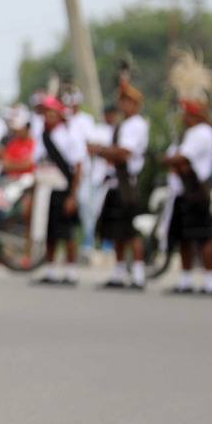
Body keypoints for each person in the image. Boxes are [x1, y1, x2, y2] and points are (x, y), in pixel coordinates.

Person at [90, 81, 150, 290]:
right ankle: (119, 271)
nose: (122, 106)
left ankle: (139, 274)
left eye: (126, 102)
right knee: (116, 232)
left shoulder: (137, 124)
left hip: (126, 184)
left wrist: (100, 151)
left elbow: (124, 153)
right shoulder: (125, 124)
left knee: (129, 231)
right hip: (115, 183)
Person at [163, 99, 212, 296]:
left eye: (185, 114)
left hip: (197, 191)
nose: (183, 117)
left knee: (203, 236)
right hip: (183, 192)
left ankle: (210, 281)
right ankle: (185, 280)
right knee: (184, 238)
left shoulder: (202, 132)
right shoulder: (188, 133)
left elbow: (182, 158)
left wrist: (165, 160)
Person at [31, 94, 85, 286]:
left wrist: (72, 196)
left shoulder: (69, 136)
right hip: (46, 190)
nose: (48, 117)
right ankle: (51, 270)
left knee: (66, 232)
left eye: (52, 113)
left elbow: (78, 167)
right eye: (45, 113)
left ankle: (71, 271)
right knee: (50, 232)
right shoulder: (43, 136)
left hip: (63, 189)